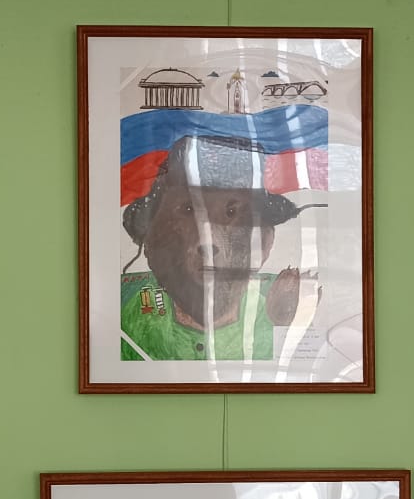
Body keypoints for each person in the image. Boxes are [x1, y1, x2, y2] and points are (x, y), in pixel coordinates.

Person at [119, 135, 322, 362]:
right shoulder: (122, 304)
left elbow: (311, 369)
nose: (207, 240)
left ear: (265, 241)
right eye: (188, 210)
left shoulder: (290, 298)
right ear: (150, 237)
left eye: (231, 213)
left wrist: (288, 326)